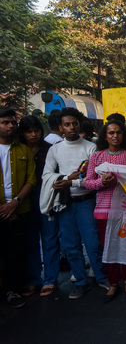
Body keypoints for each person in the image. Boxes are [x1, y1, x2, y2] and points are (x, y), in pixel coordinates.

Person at [41, 107, 109, 300]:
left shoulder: (91, 147)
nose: (71, 127)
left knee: (93, 243)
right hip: (65, 203)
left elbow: (95, 174)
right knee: (70, 245)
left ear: (79, 124)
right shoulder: (55, 150)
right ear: (61, 128)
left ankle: (102, 278)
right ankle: (80, 282)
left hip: (86, 201)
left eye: (74, 124)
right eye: (67, 124)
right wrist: (64, 178)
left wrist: (73, 180)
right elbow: (46, 175)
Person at [85, 120, 126, 303]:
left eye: (118, 132)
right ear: (105, 136)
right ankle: (113, 282)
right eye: (111, 133)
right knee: (108, 247)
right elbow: (88, 182)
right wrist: (102, 182)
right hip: (104, 210)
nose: (115, 136)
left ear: (124, 135)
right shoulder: (97, 157)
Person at [0, 109, 36, 308]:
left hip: (20, 210)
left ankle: (12, 290)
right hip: (2, 211)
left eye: (13, 122)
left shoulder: (23, 150)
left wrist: (14, 203)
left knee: (16, 252)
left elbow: (31, 179)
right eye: (5, 122)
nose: (11, 126)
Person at [18, 116, 52, 297]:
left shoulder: (49, 149)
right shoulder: (17, 150)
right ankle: (33, 279)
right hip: (24, 197)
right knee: (31, 240)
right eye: (29, 131)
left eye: (36, 131)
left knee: (49, 238)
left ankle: (50, 279)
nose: (33, 135)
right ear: (22, 133)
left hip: (46, 195)